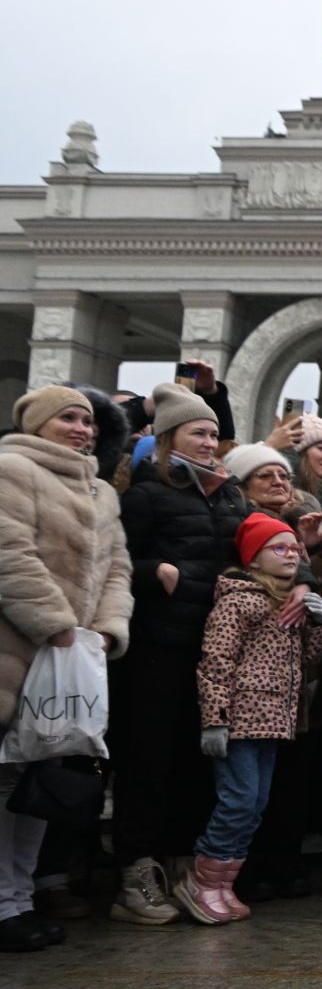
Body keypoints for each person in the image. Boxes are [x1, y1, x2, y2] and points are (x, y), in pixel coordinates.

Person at [110, 382, 251, 926]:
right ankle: (134, 873)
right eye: (198, 431)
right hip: (155, 647)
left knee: (196, 763)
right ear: (170, 438)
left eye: (214, 433)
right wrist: (154, 573)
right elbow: (117, 558)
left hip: (212, 653)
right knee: (146, 759)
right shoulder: (145, 494)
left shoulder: (230, 496)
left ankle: (181, 863)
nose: (208, 442)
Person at [0, 388, 134, 951]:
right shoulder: (12, 469)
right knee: (6, 781)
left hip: (72, 657)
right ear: (38, 422)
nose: (83, 429)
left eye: (88, 422)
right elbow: (9, 552)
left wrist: (105, 630)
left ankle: (17, 900)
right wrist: (52, 621)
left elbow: (117, 567)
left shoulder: (101, 490)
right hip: (16, 649)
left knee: (40, 783)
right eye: (69, 418)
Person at [175, 515, 322, 925]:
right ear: (253, 557)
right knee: (238, 799)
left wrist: (318, 620)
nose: (291, 555)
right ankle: (200, 881)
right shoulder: (238, 601)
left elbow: (308, 659)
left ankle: (222, 883)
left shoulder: (285, 603)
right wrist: (215, 719)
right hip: (240, 721)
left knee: (255, 804)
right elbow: (215, 662)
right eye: (279, 548)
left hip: (274, 721)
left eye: (295, 549)